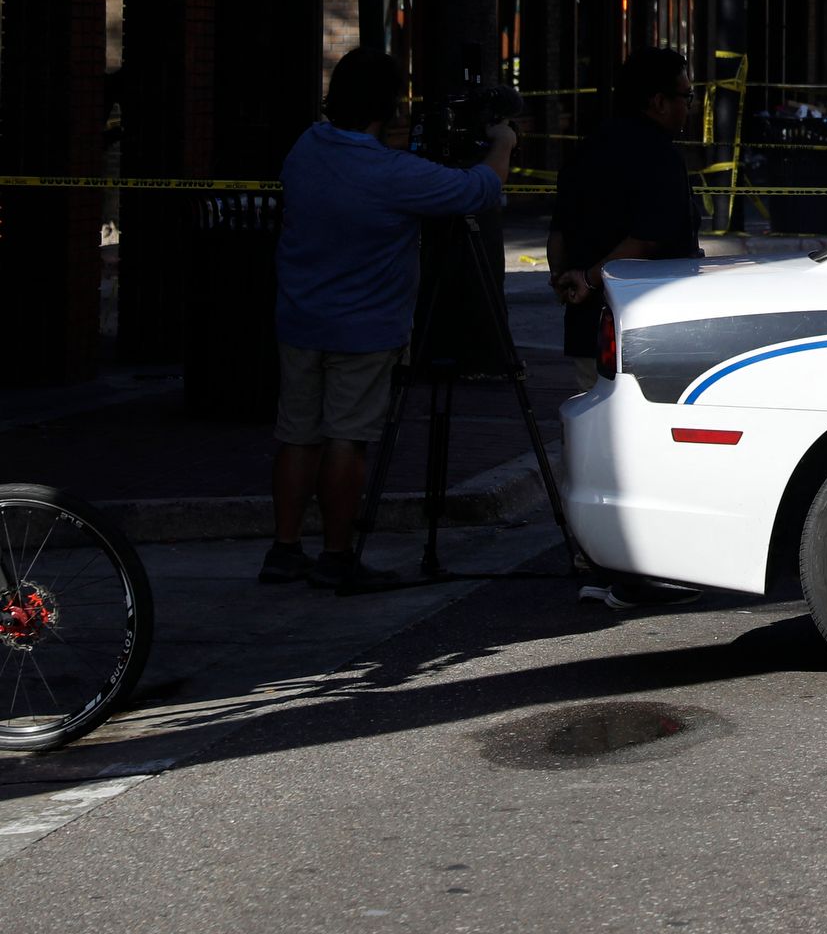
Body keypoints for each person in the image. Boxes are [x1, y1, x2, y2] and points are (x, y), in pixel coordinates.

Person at [268, 47, 514, 592]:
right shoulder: (391, 173)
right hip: (364, 327)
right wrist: (500, 145)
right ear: (389, 106)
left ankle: (284, 548)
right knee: (346, 439)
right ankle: (337, 554)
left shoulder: (306, 147)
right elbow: (479, 191)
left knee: (297, 435)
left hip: (301, 317)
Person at [549, 47, 703, 394]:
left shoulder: (587, 147)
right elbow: (648, 238)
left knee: (589, 416)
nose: (689, 106)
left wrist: (563, 278)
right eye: (687, 96)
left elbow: (557, 231)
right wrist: (589, 280)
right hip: (644, 328)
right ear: (659, 102)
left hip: (586, 325)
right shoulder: (661, 156)